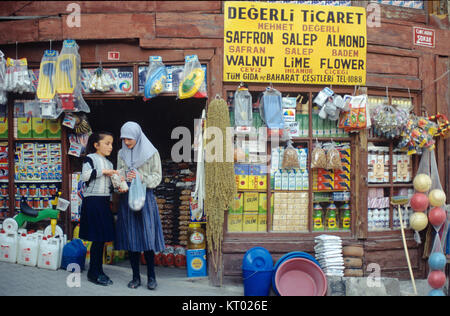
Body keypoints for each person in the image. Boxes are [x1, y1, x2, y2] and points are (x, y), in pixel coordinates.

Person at [115, 122, 165, 290]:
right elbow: (119, 172)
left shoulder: (152, 153)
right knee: (132, 239)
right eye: (124, 139)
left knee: (147, 238)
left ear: (137, 136)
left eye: (129, 138)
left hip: (145, 198)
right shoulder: (121, 153)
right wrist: (124, 176)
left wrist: (140, 176)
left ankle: (152, 277)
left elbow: (157, 177)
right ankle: (135, 277)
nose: (126, 142)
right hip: (127, 199)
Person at [79, 131, 117, 286]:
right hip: (92, 201)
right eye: (107, 143)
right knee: (96, 238)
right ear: (96, 145)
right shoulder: (90, 158)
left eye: (112, 144)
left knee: (101, 239)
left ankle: (98, 270)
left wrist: (118, 185)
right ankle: (93, 273)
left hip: (104, 202)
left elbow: (110, 185)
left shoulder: (110, 163)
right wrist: (104, 172)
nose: (110, 147)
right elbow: (85, 176)